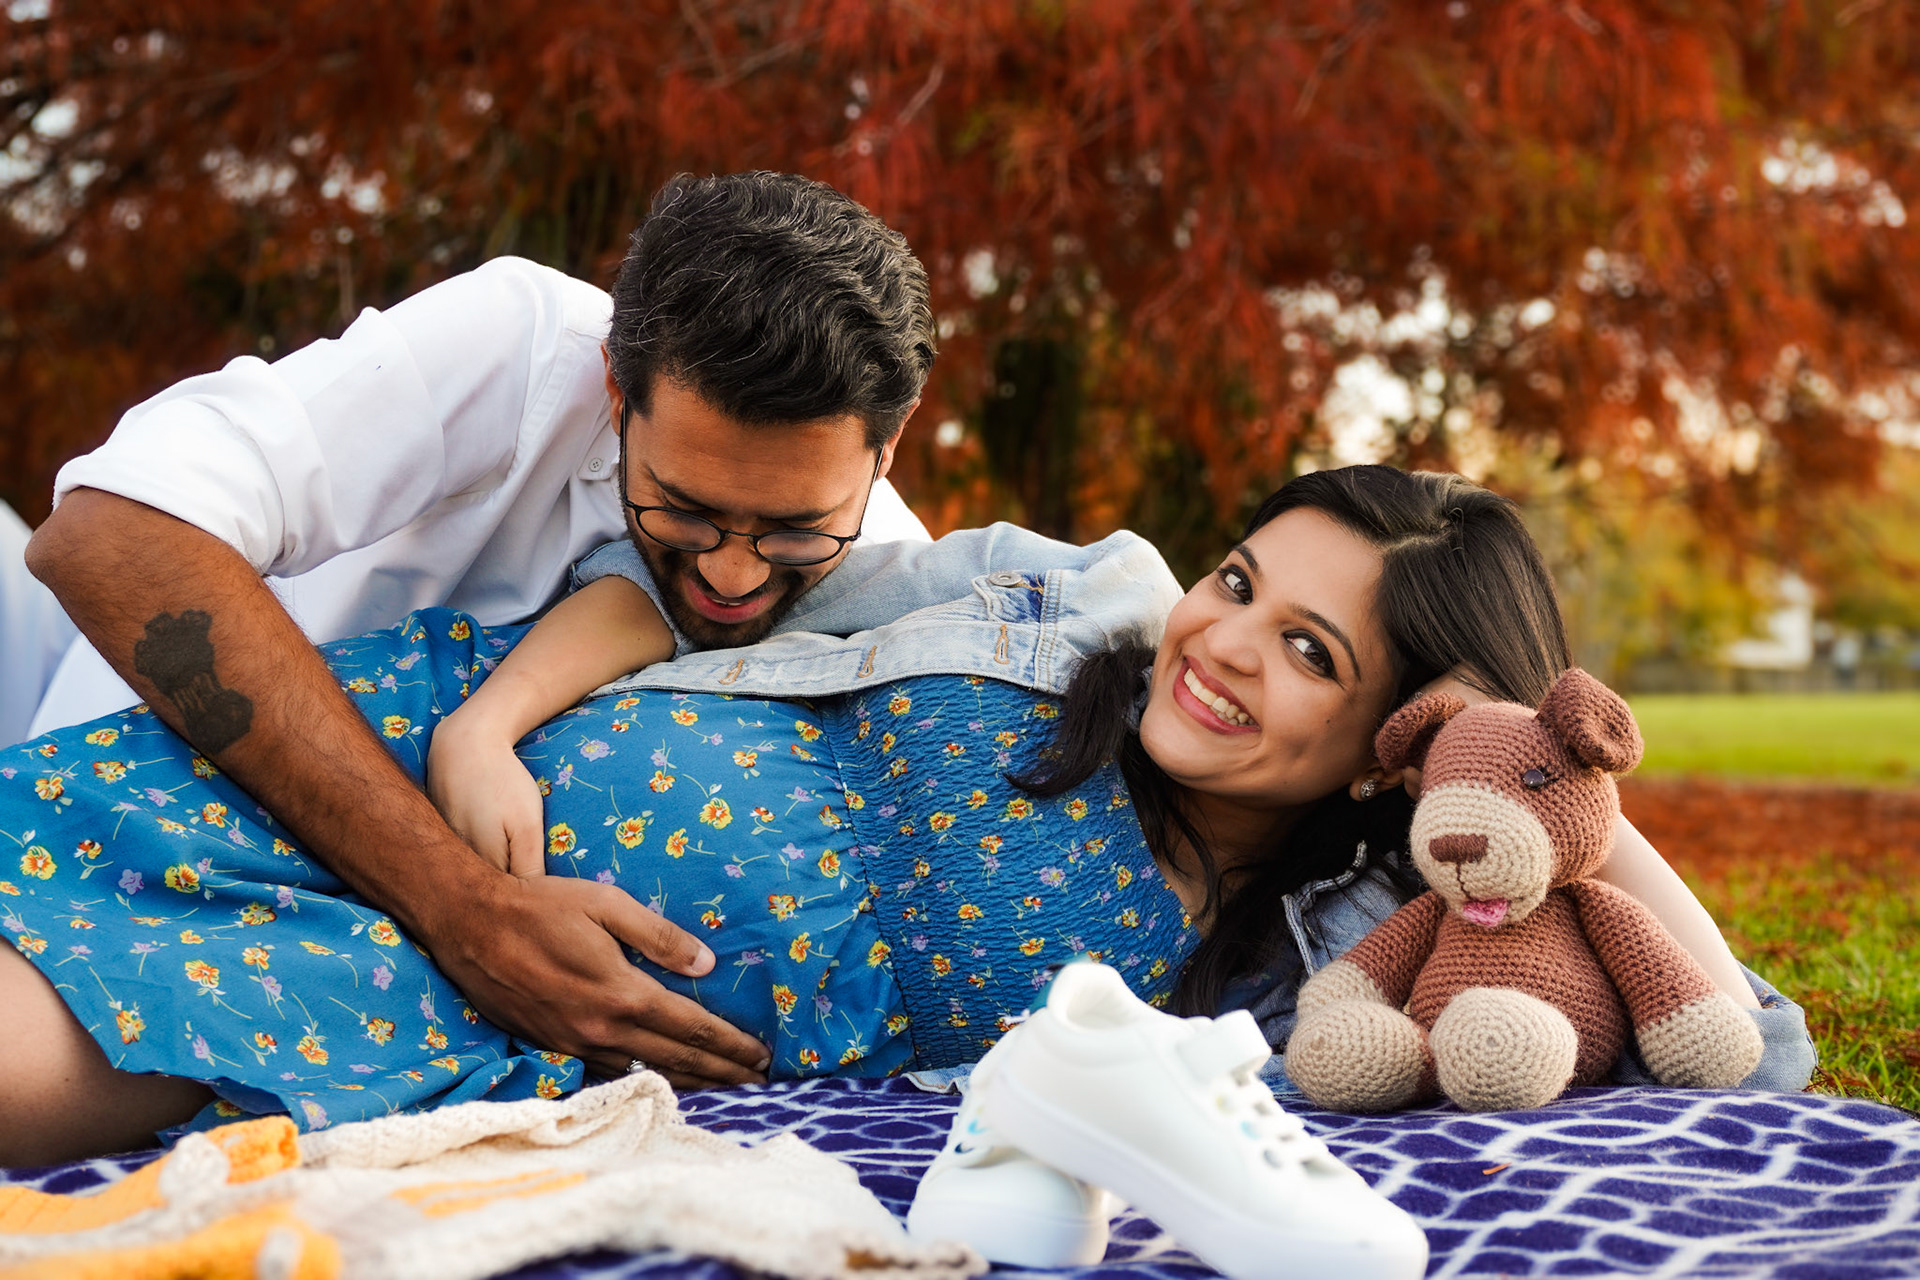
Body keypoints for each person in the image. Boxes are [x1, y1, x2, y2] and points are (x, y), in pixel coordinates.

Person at [0, 466, 1812, 1165]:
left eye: (1310, 651)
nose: (1221, 643)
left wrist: (1531, 762)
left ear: (1384, 747)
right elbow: (684, 595)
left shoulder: (1315, 963)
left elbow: (1748, 1050)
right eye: (1242, 581)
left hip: (456, 1010)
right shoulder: (1071, 596)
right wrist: (484, 731)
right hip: (402, 773)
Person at [16, 171, 940, 1092]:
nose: (733, 577)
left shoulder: (897, 597)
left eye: (796, 532)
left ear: (887, 448)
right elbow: (108, 535)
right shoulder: (523, 350)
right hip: (100, 797)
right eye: (685, 512)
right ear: (616, 392)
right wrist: (460, 904)